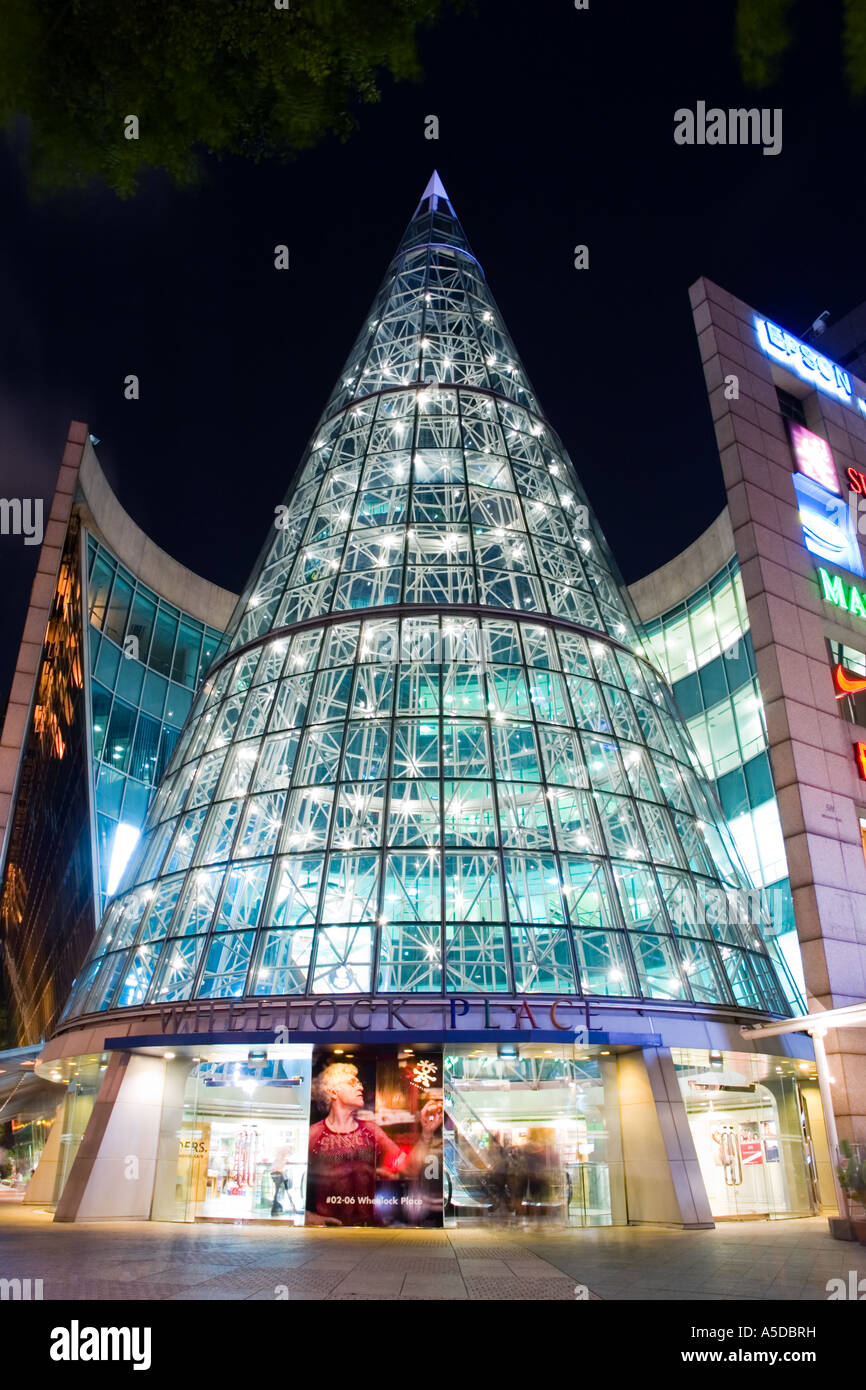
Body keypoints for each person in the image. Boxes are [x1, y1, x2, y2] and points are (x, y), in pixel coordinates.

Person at [306, 1062, 442, 1227]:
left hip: (369, 1229)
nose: (360, 1087)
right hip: (328, 1233)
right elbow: (289, 1174)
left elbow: (408, 1168)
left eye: (359, 1083)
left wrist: (426, 1133)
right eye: (352, 1082)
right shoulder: (314, 1134)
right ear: (333, 1091)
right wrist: (309, 1217)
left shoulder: (371, 1130)